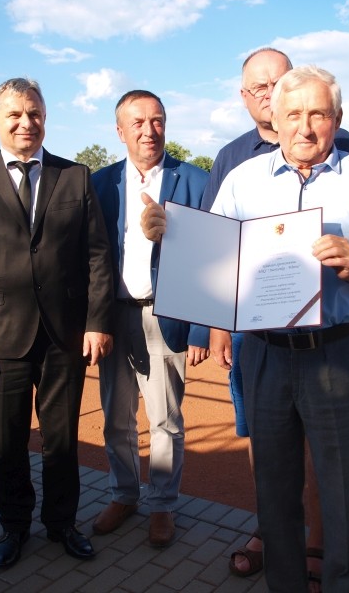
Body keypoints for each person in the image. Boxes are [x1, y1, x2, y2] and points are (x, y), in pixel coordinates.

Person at [144, 65, 349, 592]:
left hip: (339, 353)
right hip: (264, 352)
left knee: (347, 490)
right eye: (294, 114)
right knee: (274, 487)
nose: (305, 127)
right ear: (275, 119)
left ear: (337, 119)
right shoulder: (243, 179)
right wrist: (168, 235)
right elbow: (212, 260)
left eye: (318, 114)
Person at [200, 47, 349, 587]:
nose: (271, 96)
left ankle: (321, 547)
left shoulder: (348, 154)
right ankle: (276, 546)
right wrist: (216, 325)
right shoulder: (234, 162)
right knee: (269, 454)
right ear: (248, 98)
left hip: (331, 341)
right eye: (259, 88)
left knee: (330, 463)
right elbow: (213, 247)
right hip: (261, 339)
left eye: (280, 84)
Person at [0, 77, 114, 569]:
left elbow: (98, 255)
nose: (27, 123)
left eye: (35, 114)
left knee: (62, 440)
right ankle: (14, 526)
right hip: (2, 337)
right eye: (16, 115)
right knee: (7, 442)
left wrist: (97, 322)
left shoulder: (75, 176)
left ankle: (62, 523)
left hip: (65, 335)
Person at [90, 90, 209, 548]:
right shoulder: (99, 183)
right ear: (119, 131)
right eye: (137, 123)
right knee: (116, 418)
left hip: (165, 313)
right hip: (112, 315)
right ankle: (123, 495)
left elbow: (211, 258)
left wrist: (200, 328)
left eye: (157, 121)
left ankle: (162, 504)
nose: (149, 131)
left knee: (166, 419)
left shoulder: (195, 181)